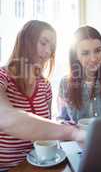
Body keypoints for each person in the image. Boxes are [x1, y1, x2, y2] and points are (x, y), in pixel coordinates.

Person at [0, 20, 85, 171]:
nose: (48, 52)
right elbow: (4, 117)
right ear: (26, 41)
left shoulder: (45, 85)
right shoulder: (2, 77)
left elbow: (45, 131)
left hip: (39, 165)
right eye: (43, 43)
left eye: (51, 47)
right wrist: (73, 133)